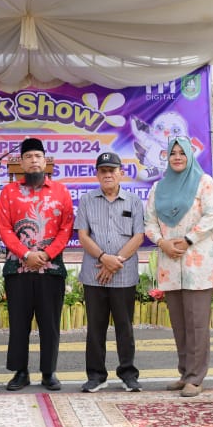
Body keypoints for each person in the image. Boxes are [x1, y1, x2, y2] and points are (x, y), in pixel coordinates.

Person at [144, 137, 213, 398]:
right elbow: (150, 222)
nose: (177, 157)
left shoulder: (204, 182)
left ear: (190, 156)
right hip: (170, 262)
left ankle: (196, 378)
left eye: (182, 153)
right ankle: (185, 372)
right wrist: (162, 242)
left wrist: (188, 239)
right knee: (179, 323)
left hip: (197, 262)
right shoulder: (158, 187)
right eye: (172, 153)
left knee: (197, 323)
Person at [0, 137, 74, 392]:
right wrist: (25, 253)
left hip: (51, 269)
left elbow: (66, 227)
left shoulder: (61, 191)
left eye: (37, 156)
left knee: (50, 323)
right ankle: (20, 372)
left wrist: (48, 254)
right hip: (17, 269)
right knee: (19, 322)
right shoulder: (9, 192)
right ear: (21, 162)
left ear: (45, 161)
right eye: (28, 157)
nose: (33, 161)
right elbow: (4, 228)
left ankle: (49, 372)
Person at [76, 152, 145, 393]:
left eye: (112, 170)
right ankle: (96, 375)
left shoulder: (134, 201)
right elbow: (83, 235)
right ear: (97, 174)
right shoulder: (87, 200)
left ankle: (128, 373)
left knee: (124, 327)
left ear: (121, 173)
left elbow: (139, 236)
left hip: (124, 274)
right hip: (94, 273)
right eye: (103, 171)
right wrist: (104, 259)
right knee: (95, 327)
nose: (107, 174)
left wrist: (117, 261)